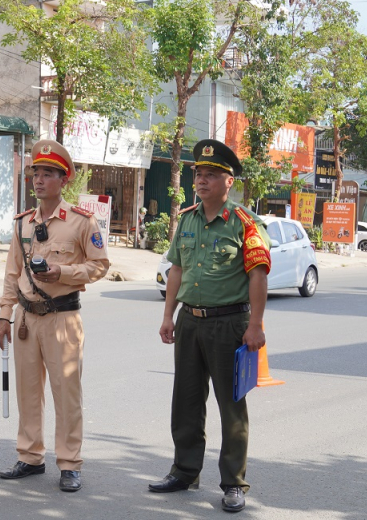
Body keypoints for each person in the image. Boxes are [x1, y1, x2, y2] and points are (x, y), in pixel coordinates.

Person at [148, 139, 271, 513]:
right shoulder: (186, 219)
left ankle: (234, 482)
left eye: (211, 175)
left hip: (230, 323)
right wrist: (168, 315)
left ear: (228, 181)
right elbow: (176, 271)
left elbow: (259, 274)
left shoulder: (245, 224)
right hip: (190, 321)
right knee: (185, 400)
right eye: (198, 175)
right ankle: (185, 470)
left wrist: (256, 325)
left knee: (231, 405)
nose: (202, 181)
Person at [0, 139, 110, 492]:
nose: (39, 180)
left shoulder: (81, 222)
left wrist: (62, 273)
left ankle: (69, 463)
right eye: (35, 173)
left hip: (62, 319)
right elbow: (13, 273)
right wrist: (4, 315)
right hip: (28, 320)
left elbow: (100, 266)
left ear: (64, 180)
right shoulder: (22, 223)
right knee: (29, 392)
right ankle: (30, 457)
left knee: (66, 393)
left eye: (48, 174)